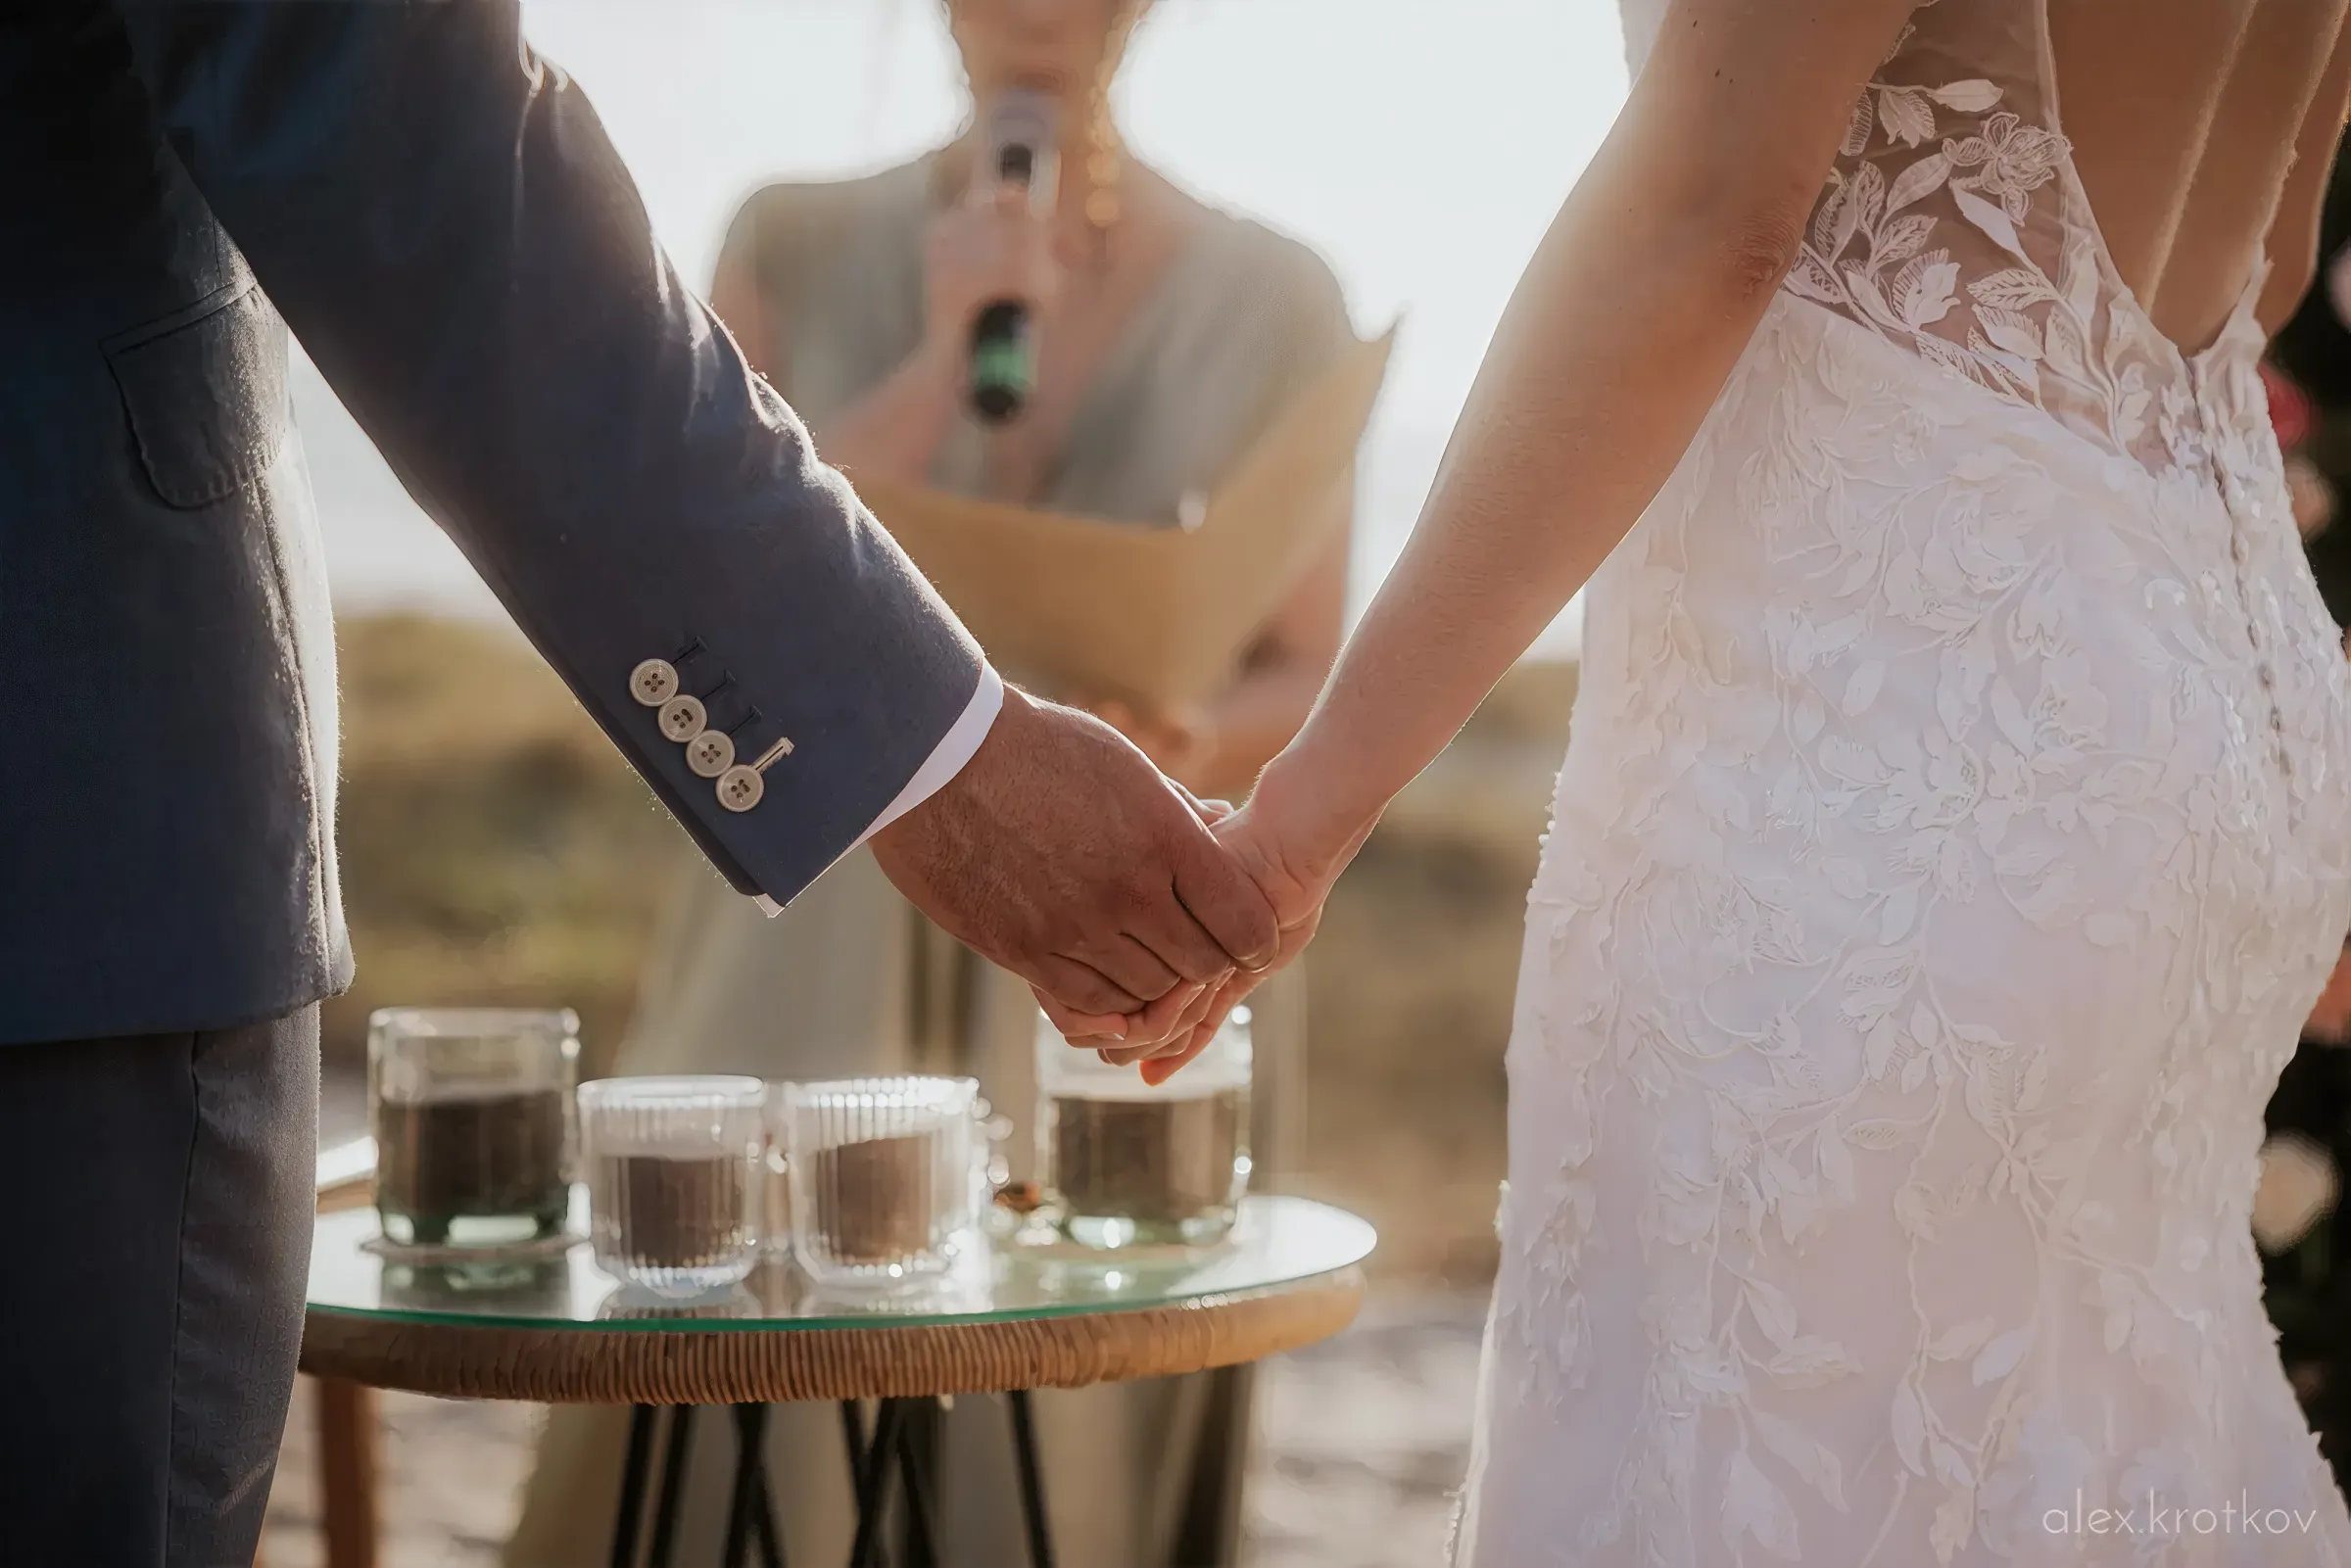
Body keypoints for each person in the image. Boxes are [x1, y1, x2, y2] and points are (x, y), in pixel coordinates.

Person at [6, 2, 1279, 1562]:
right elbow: (421, 156)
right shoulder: (806, 231)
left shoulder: (1264, 290)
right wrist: (936, 751)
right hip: (71, 828)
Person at [1090, 0, 2351, 1561]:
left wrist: (1301, 820)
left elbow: (1705, 218)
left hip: (1899, 709)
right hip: (2207, 659)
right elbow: (2278, 253)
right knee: (2110, 1392)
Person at [504, 2, 1355, 1563]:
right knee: (742, 1344)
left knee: (1067, 1415)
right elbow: (693, 558)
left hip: (1110, 901)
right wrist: (941, 352)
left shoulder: (1281, 298)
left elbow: (1309, 659)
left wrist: (1175, 735)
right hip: (825, 881)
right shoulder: (795, 236)